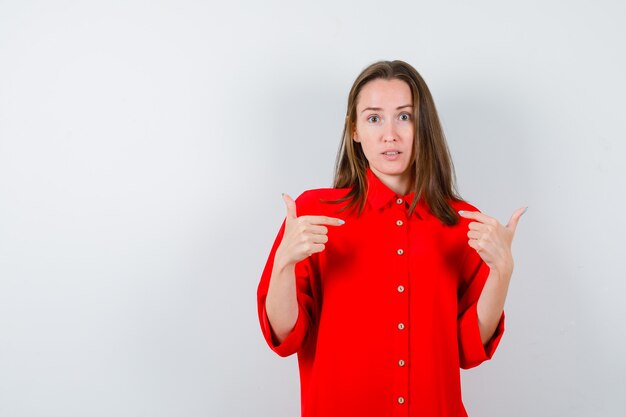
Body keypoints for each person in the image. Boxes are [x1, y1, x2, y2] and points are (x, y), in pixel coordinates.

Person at [257, 60, 526, 417]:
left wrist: (502, 273)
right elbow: (284, 334)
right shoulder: (314, 212)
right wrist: (283, 266)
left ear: (423, 126)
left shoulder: (463, 222)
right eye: (373, 118)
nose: (390, 135)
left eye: (404, 117)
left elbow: (467, 347)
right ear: (354, 130)